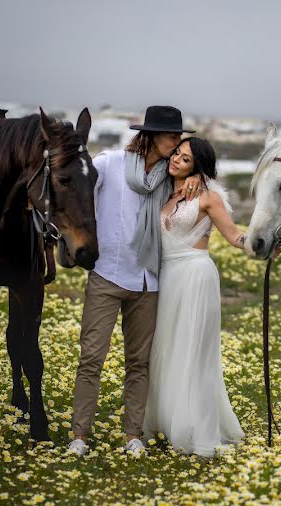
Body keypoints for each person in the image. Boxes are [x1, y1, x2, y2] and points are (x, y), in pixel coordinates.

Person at [69, 106, 202, 456]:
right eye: (172, 137)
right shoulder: (109, 163)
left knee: (139, 363)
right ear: (152, 136)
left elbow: (205, 193)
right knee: (91, 358)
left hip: (148, 281)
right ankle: (79, 436)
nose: (176, 144)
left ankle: (133, 435)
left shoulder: (170, 178)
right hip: (106, 276)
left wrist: (196, 180)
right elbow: (74, 187)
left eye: (178, 138)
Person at [142, 137, 248, 457]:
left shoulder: (208, 197)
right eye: (177, 153)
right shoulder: (161, 189)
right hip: (167, 276)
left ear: (197, 167)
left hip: (195, 274)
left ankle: (193, 427)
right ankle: (165, 419)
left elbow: (233, 235)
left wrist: (259, 244)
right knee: (165, 348)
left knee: (193, 350)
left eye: (186, 159)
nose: (176, 159)